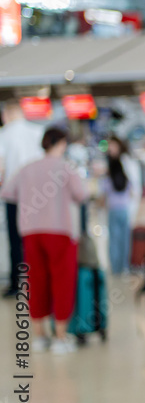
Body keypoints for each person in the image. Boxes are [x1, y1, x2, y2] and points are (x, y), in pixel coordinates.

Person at [0, 128, 89, 354]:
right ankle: (60, 337)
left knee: (36, 281)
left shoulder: (27, 168)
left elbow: (8, 192)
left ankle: (40, 336)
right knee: (62, 281)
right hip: (60, 231)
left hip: (31, 232)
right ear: (62, 143)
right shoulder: (66, 168)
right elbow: (82, 195)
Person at [0, 101, 44, 298]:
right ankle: (37, 281)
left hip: (14, 196)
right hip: (37, 195)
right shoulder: (37, 132)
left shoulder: (4, 134)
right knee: (33, 240)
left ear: (6, 115)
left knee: (14, 241)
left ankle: (17, 284)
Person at [99, 155, 132, 278]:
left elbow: (102, 199)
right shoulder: (126, 179)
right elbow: (132, 194)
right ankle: (124, 266)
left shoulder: (107, 180)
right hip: (124, 211)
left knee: (114, 240)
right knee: (125, 240)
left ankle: (115, 268)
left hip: (113, 211)